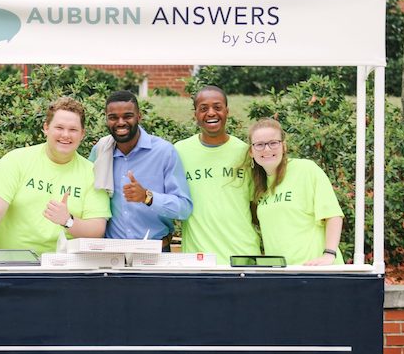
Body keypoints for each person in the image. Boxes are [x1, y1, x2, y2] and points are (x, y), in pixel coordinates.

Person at [0, 97, 110, 264]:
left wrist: (68, 220)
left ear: (82, 134)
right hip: (9, 265)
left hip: (62, 268)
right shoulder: (16, 161)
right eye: (59, 127)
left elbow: (97, 228)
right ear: (46, 128)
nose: (65, 135)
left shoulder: (92, 173)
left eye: (73, 129)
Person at [89, 90, 192, 250]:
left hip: (156, 254)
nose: (120, 122)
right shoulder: (101, 151)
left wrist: (147, 197)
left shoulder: (164, 152)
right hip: (111, 254)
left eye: (127, 116)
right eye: (113, 117)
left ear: (139, 116)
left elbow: (184, 208)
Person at [174, 86, 260, 263]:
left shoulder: (245, 152)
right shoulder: (179, 151)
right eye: (203, 108)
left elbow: (256, 205)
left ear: (227, 111)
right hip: (198, 260)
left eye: (217, 107)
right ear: (195, 114)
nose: (211, 113)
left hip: (242, 257)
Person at [247, 117, 344, 265]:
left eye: (273, 143)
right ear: (251, 152)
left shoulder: (306, 170)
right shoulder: (257, 186)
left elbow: (333, 215)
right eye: (259, 145)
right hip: (282, 272)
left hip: (316, 269)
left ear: (284, 146)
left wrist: (329, 255)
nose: (267, 149)